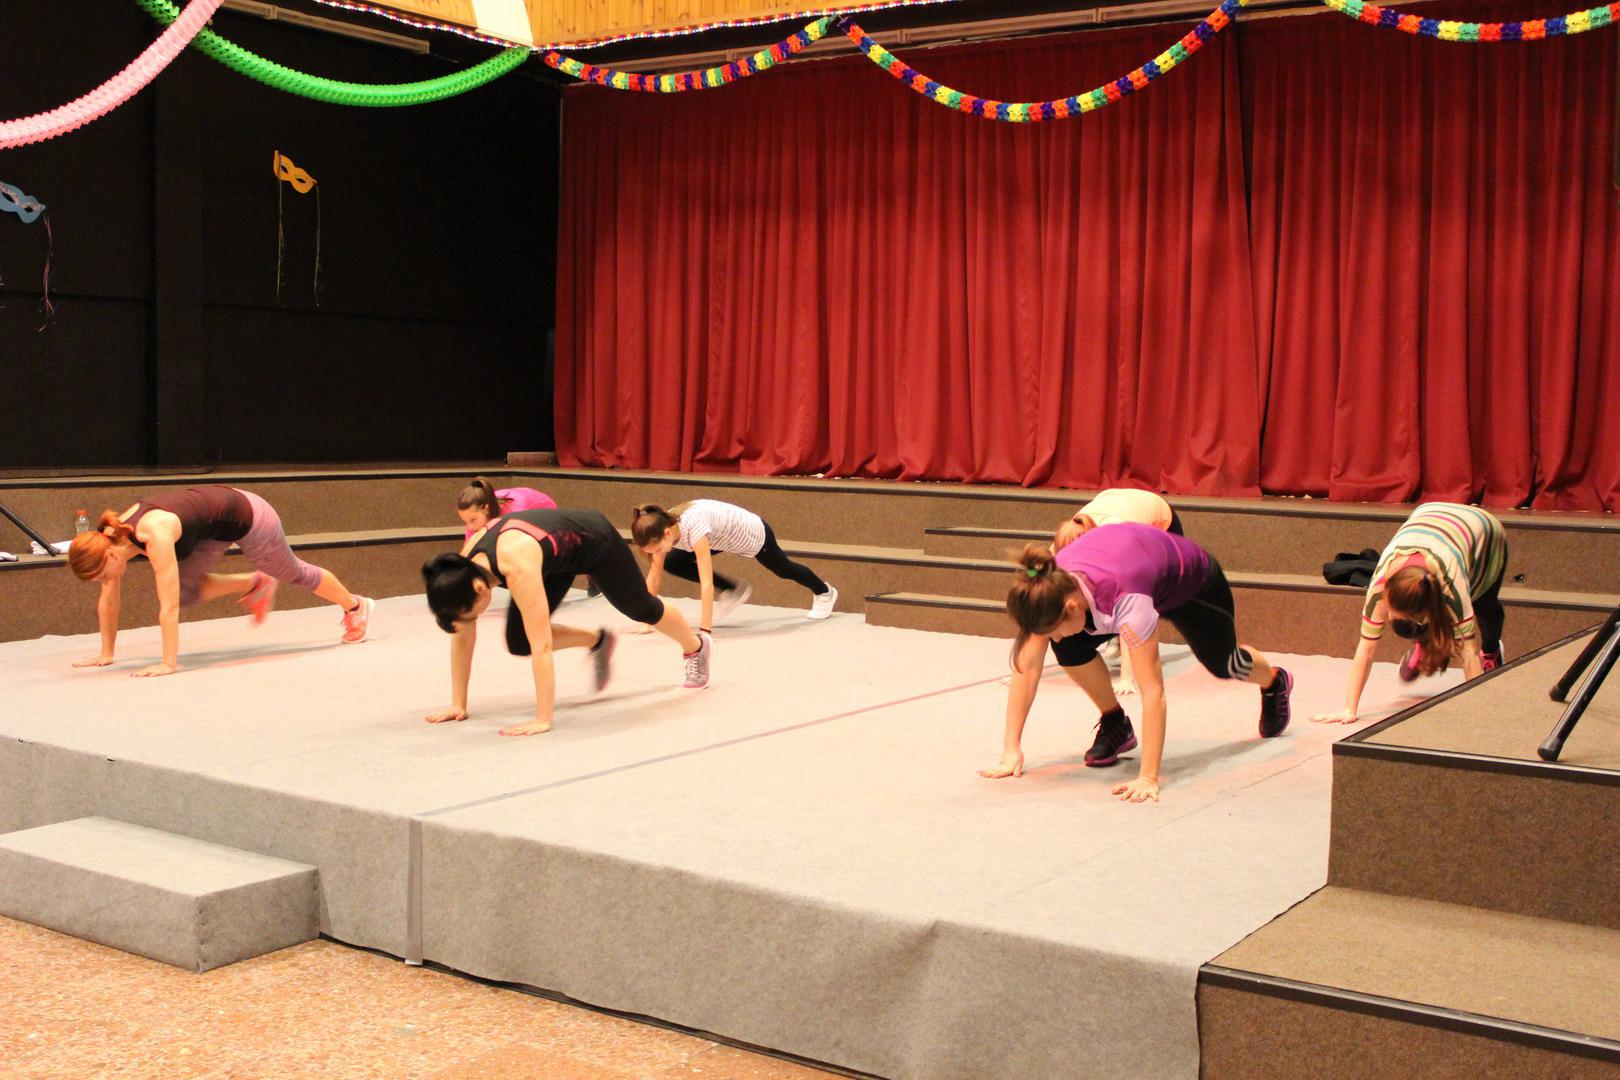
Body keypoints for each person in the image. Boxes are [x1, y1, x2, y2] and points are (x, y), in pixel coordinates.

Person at [983, 526, 1292, 803]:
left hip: (1192, 586)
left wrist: (1148, 777)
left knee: (1225, 664)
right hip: (1136, 572)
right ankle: (1115, 722)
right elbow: (1027, 668)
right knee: (1069, 647)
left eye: (1054, 630)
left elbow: (1153, 691)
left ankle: (1274, 681)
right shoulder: (1046, 590)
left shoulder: (1128, 600)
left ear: (1072, 607)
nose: (1054, 638)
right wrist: (1011, 748)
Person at [422, 507, 710, 737]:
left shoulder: (516, 566)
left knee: (641, 608)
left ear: (479, 589)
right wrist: (458, 703)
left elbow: (542, 645)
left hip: (595, 542)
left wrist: (542, 718)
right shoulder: (461, 569)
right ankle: (598, 641)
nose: (473, 621)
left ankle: (696, 646)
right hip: (556, 556)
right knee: (519, 642)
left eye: (474, 615)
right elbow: (461, 635)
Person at [66, 485, 373, 676]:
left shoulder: (154, 535)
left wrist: (168, 663)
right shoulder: (108, 538)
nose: (105, 581)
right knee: (187, 590)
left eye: (102, 575)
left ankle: (355, 606)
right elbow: (109, 599)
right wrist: (106, 653)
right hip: (208, 526)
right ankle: (255, 583)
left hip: (249, 515)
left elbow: (168, 606)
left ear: (110, 557)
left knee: (292, 572)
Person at [1312, 503, 1507, 726]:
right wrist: (1349, 708)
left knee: (1484, 606)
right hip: (1428, 514)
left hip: (1482, 529)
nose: (1387, 615)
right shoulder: (1380, 586)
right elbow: (1366, 648)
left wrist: (1476, 713)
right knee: (1401, 624)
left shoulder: (1452, 586)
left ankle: (1492, 651)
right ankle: (1424, 643)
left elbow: (1468, 653)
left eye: (1391, 611)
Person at [630, 501, 836, 633]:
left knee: (784, 569)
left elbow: (706, 583)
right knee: (672, 561)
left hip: (750, 533)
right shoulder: (662, 525)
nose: (657, 553)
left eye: (657, 549)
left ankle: (824, 591)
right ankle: (731, 589)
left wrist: (705, 630)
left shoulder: (694, 528)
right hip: (720, 536)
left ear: (667, 533)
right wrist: (647, 620)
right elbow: (654, 575)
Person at [1051, 488, 1182, 695]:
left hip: (1161, 520)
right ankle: (1114, 637)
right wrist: (1022, 669)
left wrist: (1126, 678)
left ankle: (1119, 642)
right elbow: (1036, 606)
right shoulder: (1056, 554)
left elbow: (1134, 608)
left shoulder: (1120, 547)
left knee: (1135, 594)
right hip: (1110, 499)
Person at [456, 477, 557, 538]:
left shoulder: (515, 514)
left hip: (546, 515)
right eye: (465, 521)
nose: (470, 527)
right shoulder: (474, 517)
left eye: (472, 520)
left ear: (487, 509)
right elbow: (468, 554)